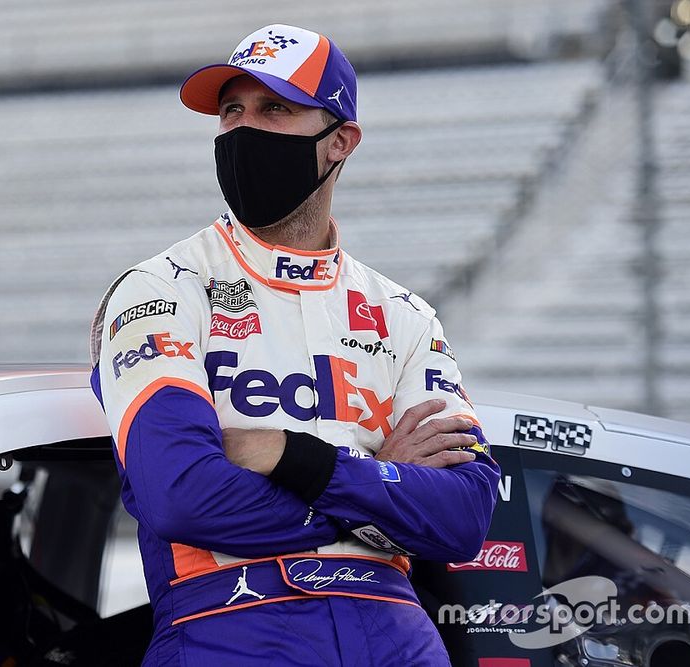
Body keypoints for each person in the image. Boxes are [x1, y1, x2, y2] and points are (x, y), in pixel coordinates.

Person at [89, 24, 501, 666]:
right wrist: (374, 491)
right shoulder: (162, 291)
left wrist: (296, 458)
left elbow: (464, 517)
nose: (244, 128)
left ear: (340, 142)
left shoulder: (405, 316)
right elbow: (179, 492)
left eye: (275, 108)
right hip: (229, 628)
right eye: (232, 110)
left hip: (397, 639)